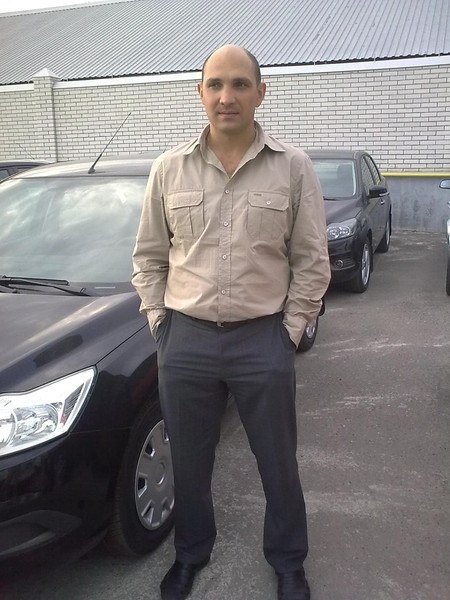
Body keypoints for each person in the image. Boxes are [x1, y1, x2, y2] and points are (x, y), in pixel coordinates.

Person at [132, 44, 330, 600]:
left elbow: (311, 260)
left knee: (278, 462)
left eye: (240, 84)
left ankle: (288, 561)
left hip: (262, 339)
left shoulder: (293, 167)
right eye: (215, 84)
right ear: (200, 93)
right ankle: (191, 554)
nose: (227, 96)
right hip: (186, 340)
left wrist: (289, 332)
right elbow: (149, 256)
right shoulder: (169, 169)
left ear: (260, 93)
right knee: (189, 463)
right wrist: (161, 324)